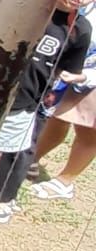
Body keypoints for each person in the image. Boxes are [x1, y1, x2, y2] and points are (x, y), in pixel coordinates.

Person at [0, 0, 91, 222]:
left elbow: (70, 69)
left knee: (5, 153)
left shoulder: (80, 29)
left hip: (26, 104)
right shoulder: (27, 7)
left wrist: (74, 78)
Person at [31, 34, 96, 200]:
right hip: (77, 62)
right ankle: (30, 159)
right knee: (59, 117)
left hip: (90, 74)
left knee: (88, 131)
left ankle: (64, 182)